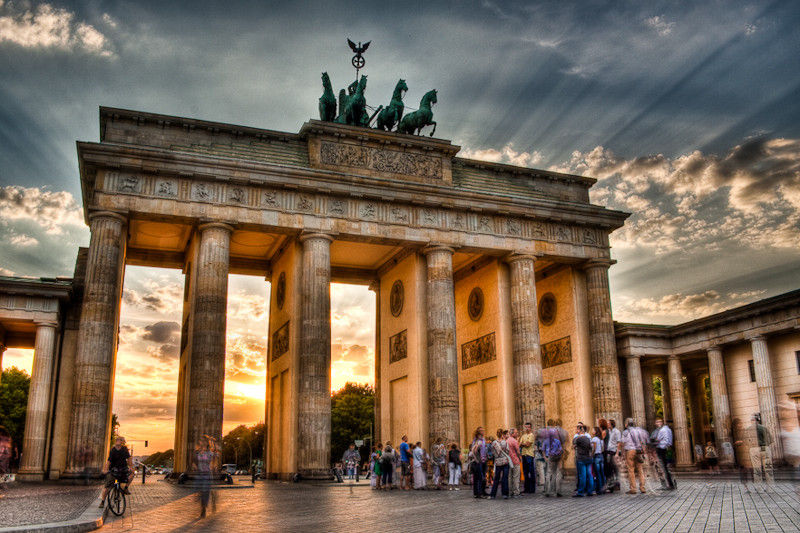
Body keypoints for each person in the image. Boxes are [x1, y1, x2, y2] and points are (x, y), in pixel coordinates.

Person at [100, 436, 134, 508]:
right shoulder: (113, 450)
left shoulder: (124, 449)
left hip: (123, 469)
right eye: (118, 440)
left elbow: (129, 458)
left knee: (132, 475)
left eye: (121, 440)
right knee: (107, 487)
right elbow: (109, 461)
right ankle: (102, 501)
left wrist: (131, 467)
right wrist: (105, 469)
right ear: (116, 441)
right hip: (113, 470)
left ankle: (125, 488)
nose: (120, 441)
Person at [619, 418, 649, 494]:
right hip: (638, 451)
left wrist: (621, 453)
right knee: (640, 469)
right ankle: (642, 488)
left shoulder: (625, 432)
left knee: (631, 469)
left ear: (626, 424)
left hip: (630, 451)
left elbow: (623, 442)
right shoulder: (638, 431)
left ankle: (633, 489)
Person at [192, 435, 219, 518]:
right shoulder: (197, 452)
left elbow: (215, 460)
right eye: (201, 441)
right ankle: (206, 502)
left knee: (205, 492)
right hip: (199, 473)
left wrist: (214, 466)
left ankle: (203, 509)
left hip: (207, 474)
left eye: (204, 441)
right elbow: (193, 461)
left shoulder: (210, 453)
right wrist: (194, 466)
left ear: (207, 443)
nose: (202, 442)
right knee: (198, 490)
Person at [542, 420, 564, 497]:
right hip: (557, 458)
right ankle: (557, 490)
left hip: (549, 457)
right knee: (557, 474)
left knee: (548, 474)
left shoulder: (545, 441)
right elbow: (561, 450)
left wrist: (545, 457)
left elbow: (543, 450)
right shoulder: (557, 441)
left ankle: (547, 491)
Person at [749, 414, 774, 483]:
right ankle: (770, 487)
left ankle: (759, 487)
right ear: (758, 420)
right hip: (764, 448)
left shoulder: (748, 429)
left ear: (753, 420)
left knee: (757, 468)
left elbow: (745, 441)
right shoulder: (764, 428)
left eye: (751, 420)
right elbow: (771, 439)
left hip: (754, 449)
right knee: (768, 467)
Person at [653, 418, 675, 490]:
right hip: (668, 449)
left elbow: (657, 439)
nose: (657, 423)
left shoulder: (662, 430)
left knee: (663, 467)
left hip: (662, 449)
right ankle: (672, 483)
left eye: (658, 422)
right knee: (667, 467)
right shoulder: (668, 429)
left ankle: (667, 485)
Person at [572, 424, 594, 497]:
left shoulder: (578, 439)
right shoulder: (588, 438)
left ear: (580, 430)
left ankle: (581, 492)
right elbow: (591, 447)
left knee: (582, 476)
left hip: (581, 458)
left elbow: (573, 446)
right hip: (588, 458)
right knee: (589, 475)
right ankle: (590, 491)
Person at [490, 429, 511, 499]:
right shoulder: (505, 442)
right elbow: (508, 451)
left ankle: (493, 494)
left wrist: (497, 456)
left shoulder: (493, 443)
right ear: (502, 434)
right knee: (505, 478)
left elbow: (492, 452)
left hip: (498, 462)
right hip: (505, 461)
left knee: (496, 478)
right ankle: (505, 494)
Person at [470, 427, 488, 498]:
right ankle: (478, 493)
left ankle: (482, 491)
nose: (484, 431)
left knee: (482, 476)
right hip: (478, 461)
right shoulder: (477, 441)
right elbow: (474, 451)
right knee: (479, 477)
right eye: (482, 431)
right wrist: (477, 460)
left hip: (483, 460)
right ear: (479, 432)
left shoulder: (482, 440)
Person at [518, 422, 536, 494]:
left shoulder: (532, 435)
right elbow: (519, 444)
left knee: (531, 472)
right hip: (524, 455)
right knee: (525, 472)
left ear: (530, 428)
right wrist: (523, 444)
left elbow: (528, 444)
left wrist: (523, 444)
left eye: (528, 427)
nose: (527, 428)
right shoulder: (523, 436)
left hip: (529, 455)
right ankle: (526, 488)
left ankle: (532, 489)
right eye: (526, 427)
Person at [605, 419, 622, 492]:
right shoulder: (608, 431)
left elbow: (619, 443)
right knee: (609, 467)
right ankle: (611, 484)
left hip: (614, 451)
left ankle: (617, 484)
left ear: (612, 424)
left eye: (608, 423)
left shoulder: (617, 431)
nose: (607, 424)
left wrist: (617, 453)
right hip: (609, 451)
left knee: (615, 468)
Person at [507, 427, 522, 497]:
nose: (517, 434)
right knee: (516, 477)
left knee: (509, 477)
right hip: (515, 460)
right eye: (516, 433)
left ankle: (510, 491)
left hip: (509, 461)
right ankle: (516, 491)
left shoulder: (507, 440)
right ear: (512, 434)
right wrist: (520, 458)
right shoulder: (514, 441)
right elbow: (518, 452)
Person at [591, 426, 606, 494]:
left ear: (595, 431)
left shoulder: (594, 439)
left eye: (593, 430)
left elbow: (594, 448)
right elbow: (602, 448)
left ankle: (599, 489)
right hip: (601, 456)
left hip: (596, 456)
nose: (592, 431)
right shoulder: (601, 439)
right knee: (602, 473)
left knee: (597, 473)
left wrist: (592, 454)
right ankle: (604, 488)